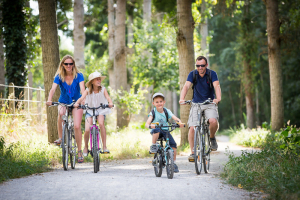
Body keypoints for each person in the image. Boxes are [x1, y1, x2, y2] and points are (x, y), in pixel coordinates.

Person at [179, 56, 221, 162]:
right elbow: (186, 86)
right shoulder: (193, 74)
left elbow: (217, 86)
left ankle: (212, 137)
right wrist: (182, 98)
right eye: (198, 65)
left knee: (213, 121)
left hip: (209, 103)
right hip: (196, 104)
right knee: (192, 128)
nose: (200, 68)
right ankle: (193, 153)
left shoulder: (212, 74)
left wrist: (218, 98)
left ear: (206, 65)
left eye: (202, 65)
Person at [46, 55, 85, 163]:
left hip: (77, 102)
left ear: (73, 65)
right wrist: (49, 99)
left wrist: (82, 99)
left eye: (71, 64)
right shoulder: (59, 76)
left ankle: (80, 151)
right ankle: (61, 138)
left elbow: (83, 89)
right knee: (61, 113)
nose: (68, 66)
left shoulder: (79, 75)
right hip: (63, 101)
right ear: (62, 65)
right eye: (66, 64)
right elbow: (53, 89)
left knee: (77, 126)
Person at [74, 72, 113, 156]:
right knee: (87, 129)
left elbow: (108, 97)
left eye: (99, 79)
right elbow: (82, 98)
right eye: (97, 79)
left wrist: (110, 102)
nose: (99, 80)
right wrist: (77, 103)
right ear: (92, 81)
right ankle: (85, 147)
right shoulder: (88, 90)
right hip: (90, 110)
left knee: (101, 124)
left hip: (101, 110)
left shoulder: (103, 89)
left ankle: (105, 146)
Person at [145, 93, 184, 173]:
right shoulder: (153, 112)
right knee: (157, 130)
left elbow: (175, 118)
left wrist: (179, 122)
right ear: (153, 103)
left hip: (165, 130)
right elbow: (147, 123)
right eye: (157, 102)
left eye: (161, 101)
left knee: (173, 145)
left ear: (164, 102)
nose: (159, 103)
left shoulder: (167, 111)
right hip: (156, 130)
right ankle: (153, 145)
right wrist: (150, 125)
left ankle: (174, 163)